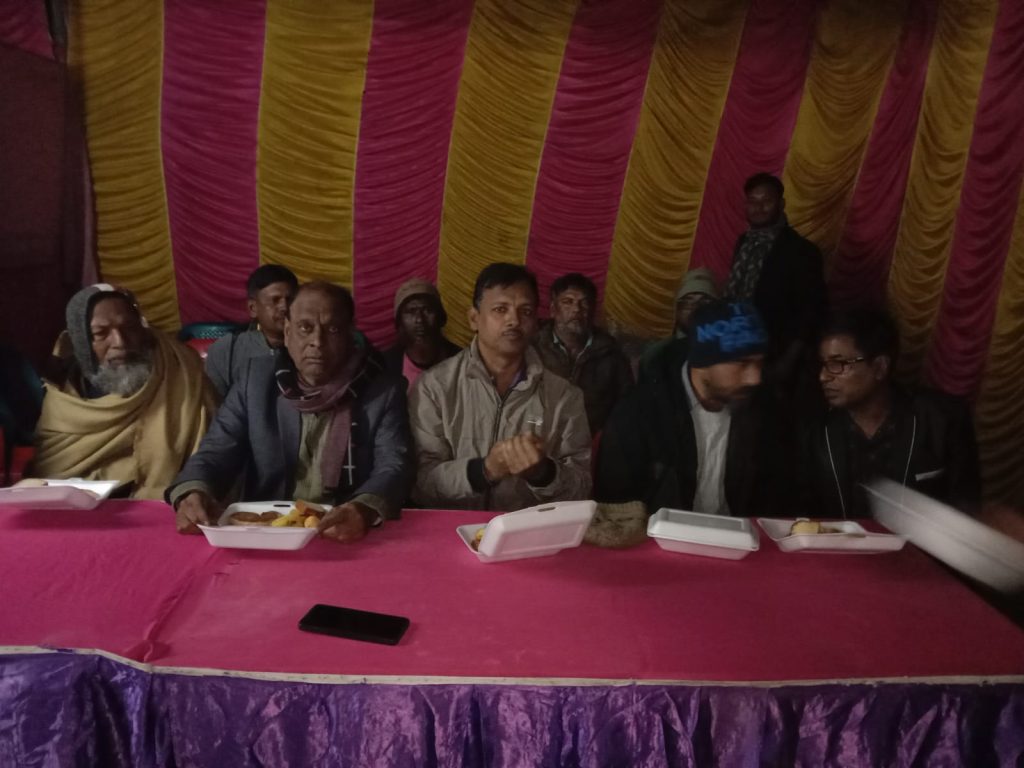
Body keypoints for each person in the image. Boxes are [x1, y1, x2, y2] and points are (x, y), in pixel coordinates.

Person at [169, 282, 414, 541]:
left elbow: (394, 465)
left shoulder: (382, 389)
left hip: (343, 529)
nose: (317, 342)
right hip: (268, 531)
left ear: (349, 335)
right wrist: (194, 490)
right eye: (305, 328)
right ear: (287, 333)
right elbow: (217, 449)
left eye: (332, 329)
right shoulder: (256, 381)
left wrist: (363, 509)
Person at [409, 263, 591, 511]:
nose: (514, 320)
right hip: (452, 529)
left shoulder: (563, 397)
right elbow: (420, 483)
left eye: (525, 311)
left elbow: (581, 490)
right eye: (500, 309)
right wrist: (484, 471)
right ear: (474, 319)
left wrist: (543, 473)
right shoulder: (434, 387)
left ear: (535, 323)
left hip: (526, 530)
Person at [31, 284, 217, 498]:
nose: (120, 342)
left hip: (174, 502)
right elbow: (50, 472)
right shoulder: (63, 398)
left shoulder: (180, 370)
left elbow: (214, 453)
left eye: (129, 328)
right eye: (101, 334)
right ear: (81, 342)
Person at [802, 307, 981, 519]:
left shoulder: (942, 418)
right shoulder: (818, 432)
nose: (823, 376)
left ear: (880, 367)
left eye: (838, 364)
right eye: (823, 364)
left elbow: (966, 507)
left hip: (917, 540)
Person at [595, 300, 768, 515]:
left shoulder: (763, 412)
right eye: (741, 363)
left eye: (759, 363)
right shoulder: (639, 414)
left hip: (742, 534)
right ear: (703, 362)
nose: (755, 378)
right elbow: (616, 510)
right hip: (658, 535)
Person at [725, 173, 826, 380]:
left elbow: (811, 313)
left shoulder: (801, 250)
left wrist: (788, 361)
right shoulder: (744, 242)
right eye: (752, 201)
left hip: (775, 352)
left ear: (781, 204)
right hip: (735, 345)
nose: (759, 208)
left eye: (766, 201)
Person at [532, 273, 632, 434]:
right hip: (538, 433)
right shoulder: (533, 347)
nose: (576, 309)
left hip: (591, 438)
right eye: (568, 302)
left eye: (584, 303)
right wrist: (535, 429)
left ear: (592, 312)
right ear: (553, 310)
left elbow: (626, 406)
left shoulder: (612, 354)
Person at [204, 264, 300, 397]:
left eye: (290, 300)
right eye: (275, 300)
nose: (284, 307)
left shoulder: (311, 347)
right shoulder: (227, 351)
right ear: (252, 308)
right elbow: (214, 404)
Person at [382, 278, 460, 391]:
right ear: (399, 321)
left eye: (427, 310)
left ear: (440, 318)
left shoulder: (462, 362)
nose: (419, 320)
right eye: (411, 311)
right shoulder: (386, 365)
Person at [641, 267, 720, 370]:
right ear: (677, 310)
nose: (695, 309)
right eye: (687, 303)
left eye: (703, 302)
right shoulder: (658, 355)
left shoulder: (729, 353)